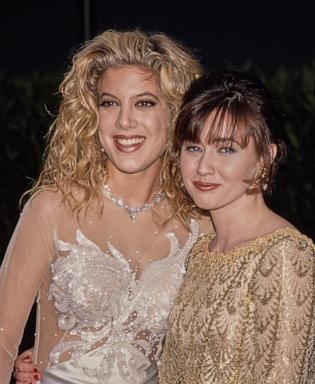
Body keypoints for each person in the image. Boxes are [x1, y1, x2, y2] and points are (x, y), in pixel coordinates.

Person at [0, 29, 211, 384]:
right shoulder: (52, 208)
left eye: (144, 103)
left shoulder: (200, 225)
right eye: (109, 103)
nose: (124, 121)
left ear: (175, 113)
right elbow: (3, 338)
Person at [159, 70, 315, 383]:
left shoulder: (286, 256)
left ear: (265, 158)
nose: (203, 167)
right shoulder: (201, 251)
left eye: (226, 149)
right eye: (194, 147)